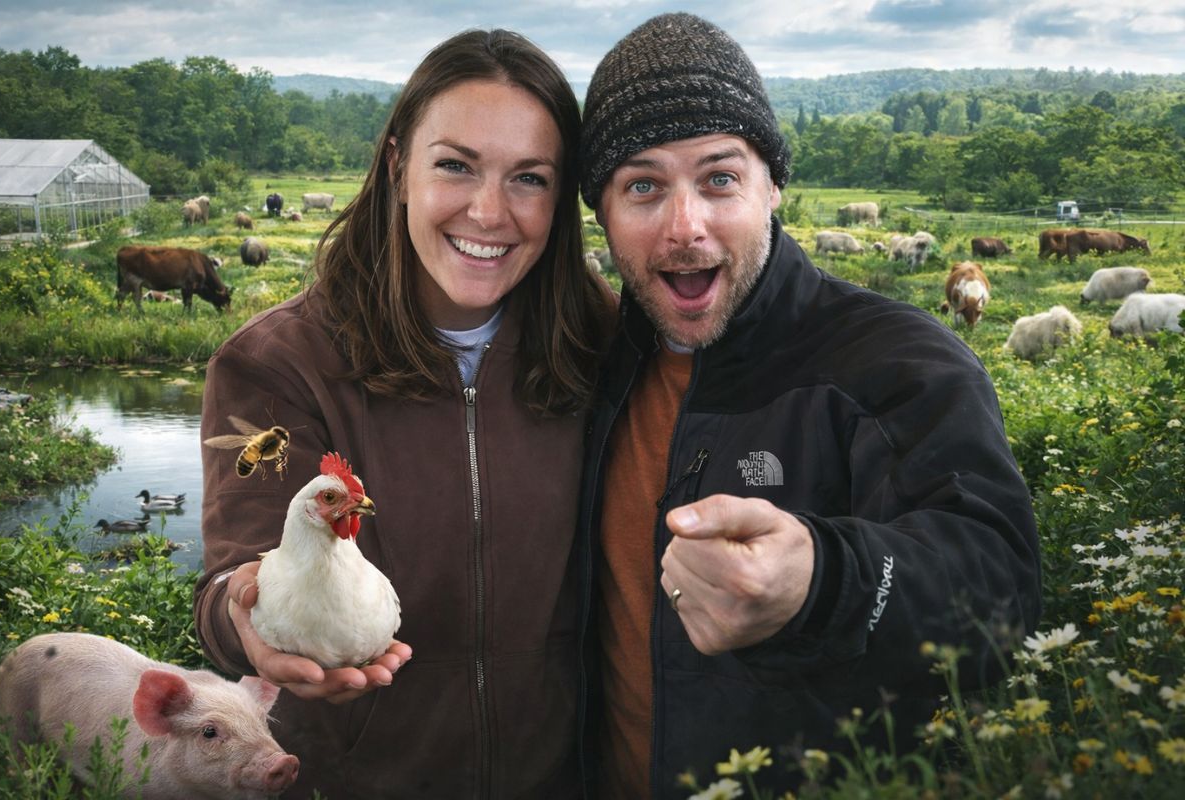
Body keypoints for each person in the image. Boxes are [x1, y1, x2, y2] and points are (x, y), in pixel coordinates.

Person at [574, 13, 1042, 797]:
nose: (685, 227)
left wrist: (827, 581)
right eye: (643, 186)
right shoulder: (591, 364)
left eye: (719, 179)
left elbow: (1001, 586)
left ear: (773, 186)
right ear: (602, 211)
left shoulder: (899, 362)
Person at [193, 29, 611, 799]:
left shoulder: (605, 349)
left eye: (530, 178)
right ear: (397, 167)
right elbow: (238, 568)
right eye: (455, 165)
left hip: (566, 776)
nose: (489, 212)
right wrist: (242, 620)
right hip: (358, 778)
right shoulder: (277, 368)